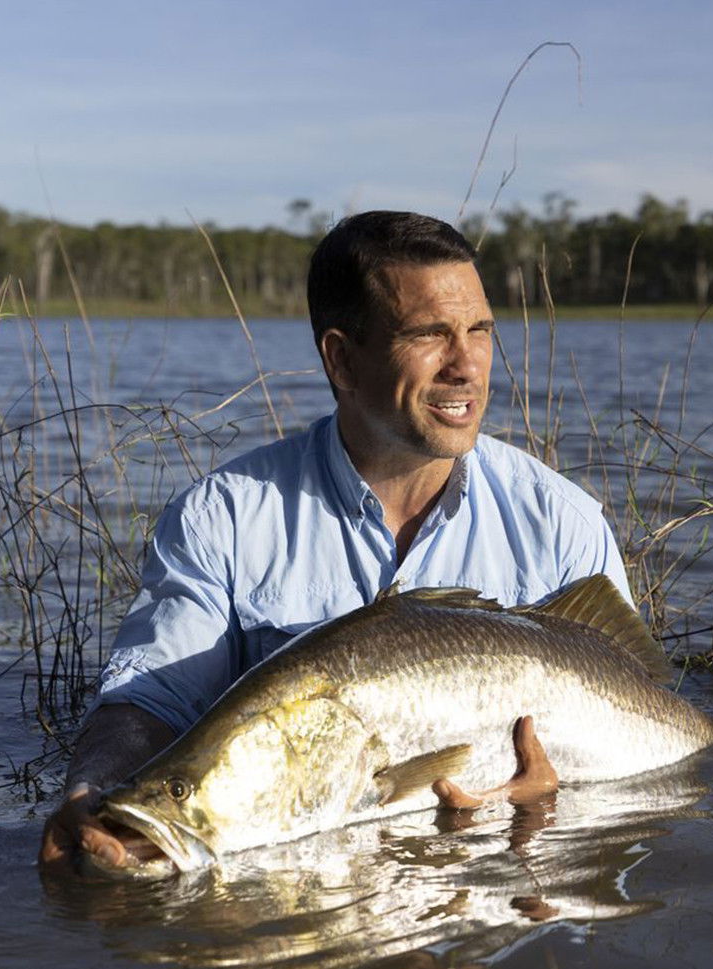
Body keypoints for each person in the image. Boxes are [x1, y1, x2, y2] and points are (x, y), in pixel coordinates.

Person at [38, 210, 631, 875]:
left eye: (480, 331)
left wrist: (555, 808)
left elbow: (645, 750)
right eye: (429, 335)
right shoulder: (222, 518)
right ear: (342, 359)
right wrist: (94, 791)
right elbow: (150, 701)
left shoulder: (563, 523)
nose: (467, 365)